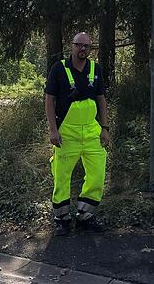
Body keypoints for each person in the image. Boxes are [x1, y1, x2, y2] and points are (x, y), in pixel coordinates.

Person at [44, 32, 111, 236]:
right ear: (71, 46)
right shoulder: (59, 69)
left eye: (87, 46)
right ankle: (62, 220)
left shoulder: (95, 69)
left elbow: (101, 100)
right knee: (62, 177)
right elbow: (49, 100)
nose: (83, 49)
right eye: (79, 45)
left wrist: (105, 129)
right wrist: (53, 130)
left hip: (92, 132)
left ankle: (85, 216)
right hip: (67, 133)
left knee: (97, 175)